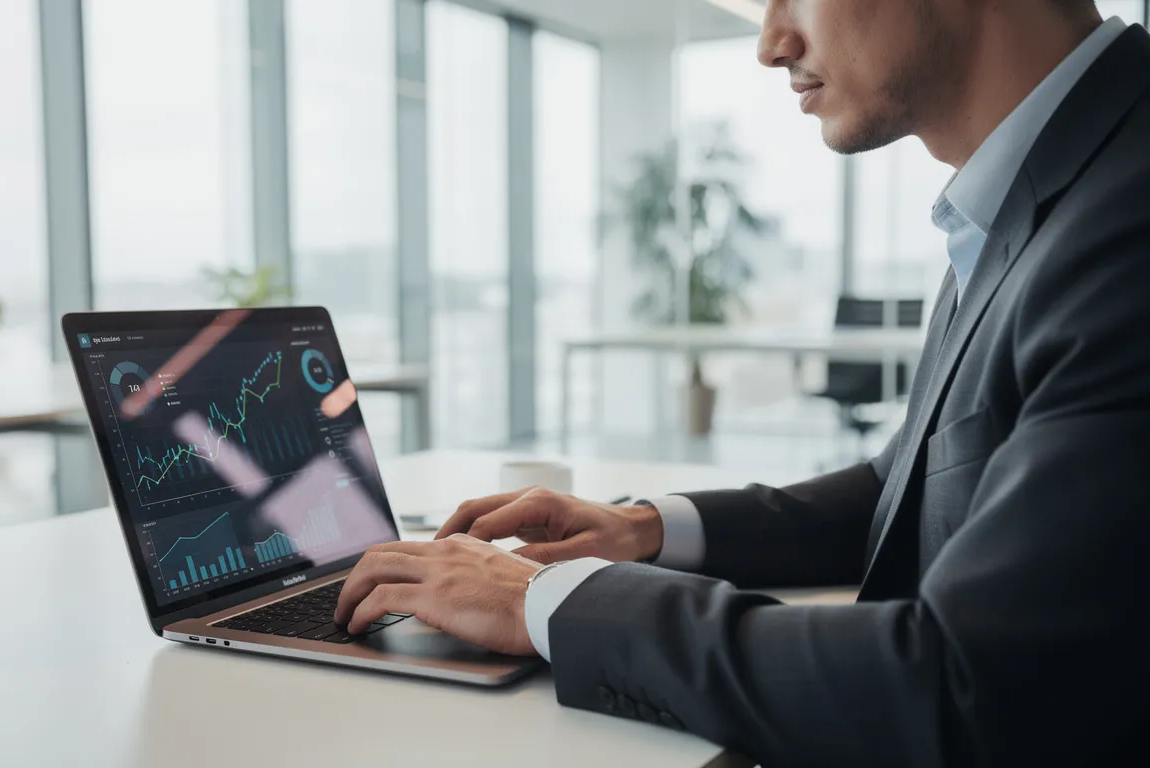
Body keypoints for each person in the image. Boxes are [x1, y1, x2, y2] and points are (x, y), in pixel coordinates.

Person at [334, 1, 1150, 763]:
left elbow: (971, 683)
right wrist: (644, 529)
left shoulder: (1126, 219)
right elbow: (902, 485)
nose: (771, 43)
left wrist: (548, 602)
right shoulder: (1041, 199)